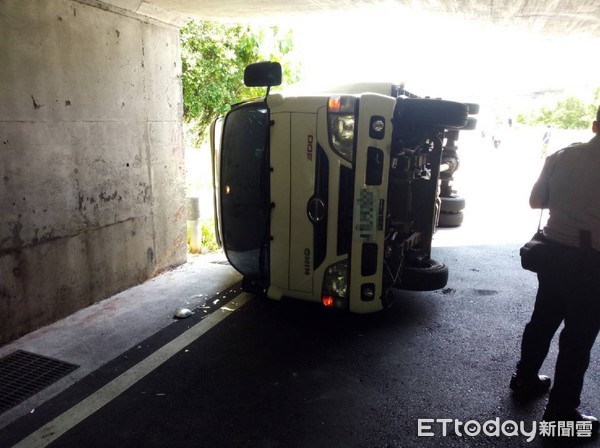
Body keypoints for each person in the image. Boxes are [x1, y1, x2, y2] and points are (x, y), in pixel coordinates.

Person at [510, 106, 600, 435]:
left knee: (543, 321)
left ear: (594, 124)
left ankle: (525, 379)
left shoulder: (562, 156)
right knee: (578, 338)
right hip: (594, 265)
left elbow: (536, 201)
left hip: (554, 255)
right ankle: (561, 412)